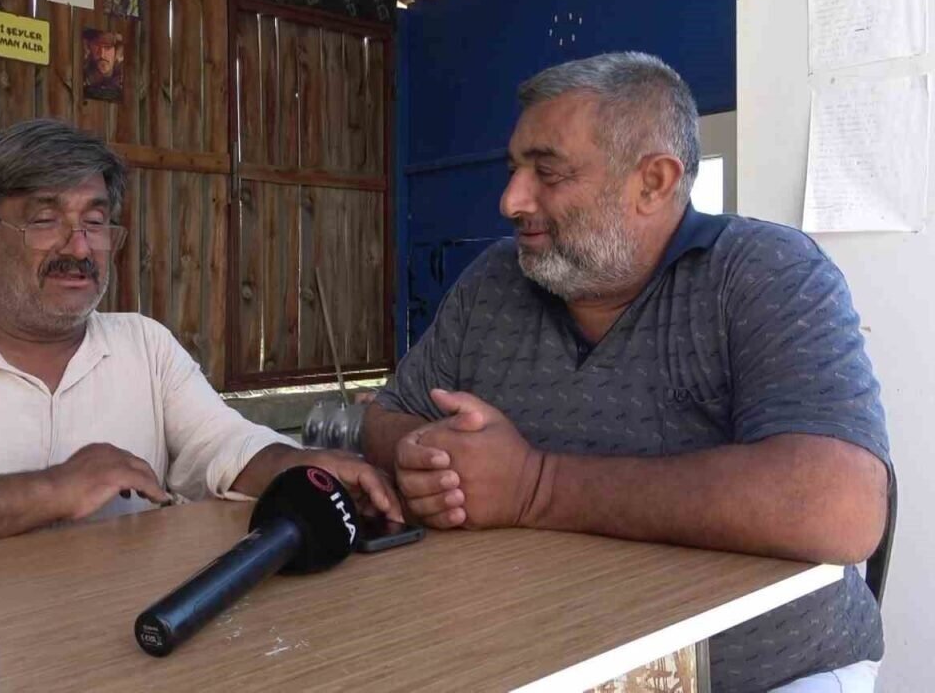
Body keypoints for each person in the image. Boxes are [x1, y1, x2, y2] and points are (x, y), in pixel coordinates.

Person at [362, 52, 891, 693]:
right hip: (537, 659)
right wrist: (430, 461)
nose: (511, 200)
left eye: (547, 172)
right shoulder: (494, 281)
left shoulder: (764, 272)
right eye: (514, 170)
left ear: (653, 183)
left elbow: (838, 505)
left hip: (767, 673)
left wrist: (535, 486)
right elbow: (387, 417)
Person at [0, 119, 400, 572]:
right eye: (45, 219)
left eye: (95, 220)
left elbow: (221, 444)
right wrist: (55, 489)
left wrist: (297, 466)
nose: (79, 247)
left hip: (128, 631)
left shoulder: (144, 344)